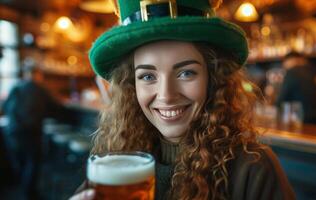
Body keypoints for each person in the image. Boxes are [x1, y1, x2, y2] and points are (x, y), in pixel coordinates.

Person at [70, 0, 295, 199]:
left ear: (213, 76)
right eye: (148, 76)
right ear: (131, 87)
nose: (166, 95)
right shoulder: (116, 165)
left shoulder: (253, 168)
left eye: (186, 73)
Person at [1, 64, 73, 200]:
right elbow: (56, 108)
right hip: (30, 132)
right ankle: (30, 194)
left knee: (21, 162)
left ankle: (21, 192)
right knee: (32, 163)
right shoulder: (40, 89)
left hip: (11, 131)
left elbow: (4, 106)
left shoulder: (16, 87)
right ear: (38, 75)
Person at [275, 51, 316, 123]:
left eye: (285, 62)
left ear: (292, 60)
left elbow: (281, 98)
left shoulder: (292, 72)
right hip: (314, 117)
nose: (284, 65)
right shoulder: (312, 71)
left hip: (297, 117)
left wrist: (276, 105)